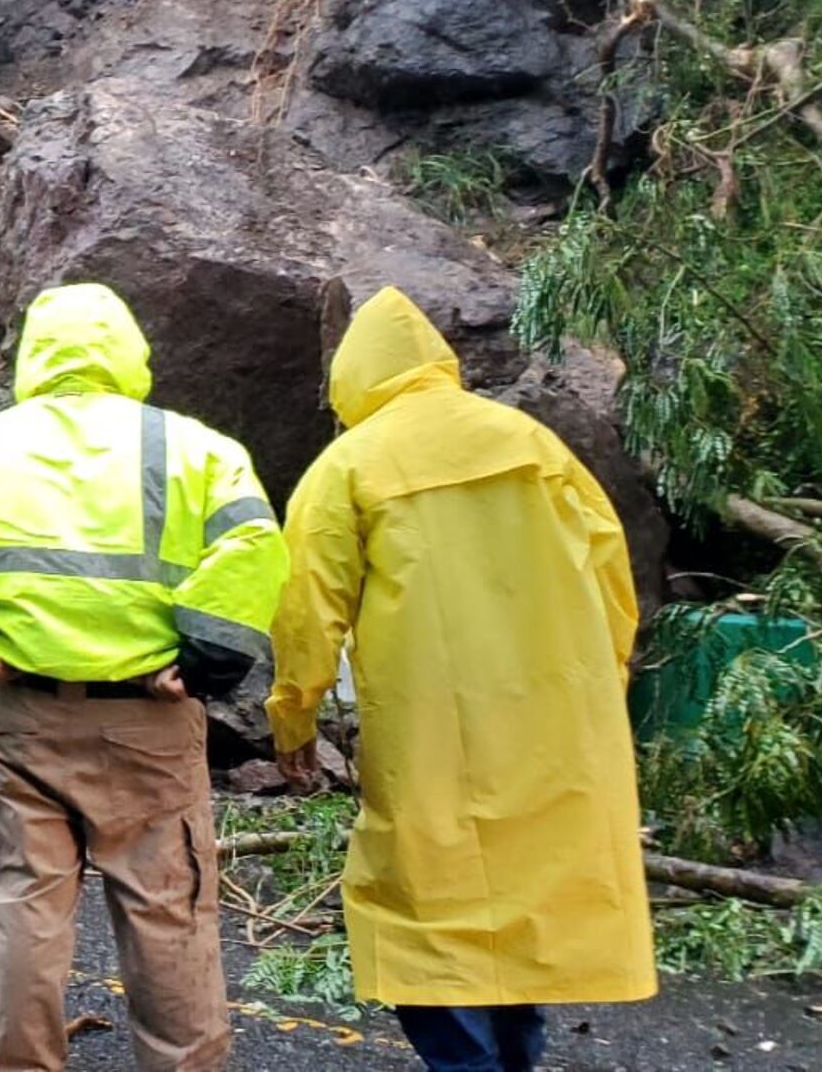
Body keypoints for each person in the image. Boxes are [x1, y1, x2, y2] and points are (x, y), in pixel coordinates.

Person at [0, 282, 288, 1072]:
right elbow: (254, 543)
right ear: (130, 351)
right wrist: (202, 656)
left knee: (18, 919)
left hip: (18, 714)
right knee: (170, 920)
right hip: (150, 720)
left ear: (35, 352)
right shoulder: (193, 447)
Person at [266, 287, 654, 1072]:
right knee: (524, 911)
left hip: (433, 731)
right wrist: (598, 698)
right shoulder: (536, 446)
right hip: (551, 726)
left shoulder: (348, 466)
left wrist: (293, 720)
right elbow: (616, 589)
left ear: (355, 379)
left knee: (425, 916)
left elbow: (304, 611)